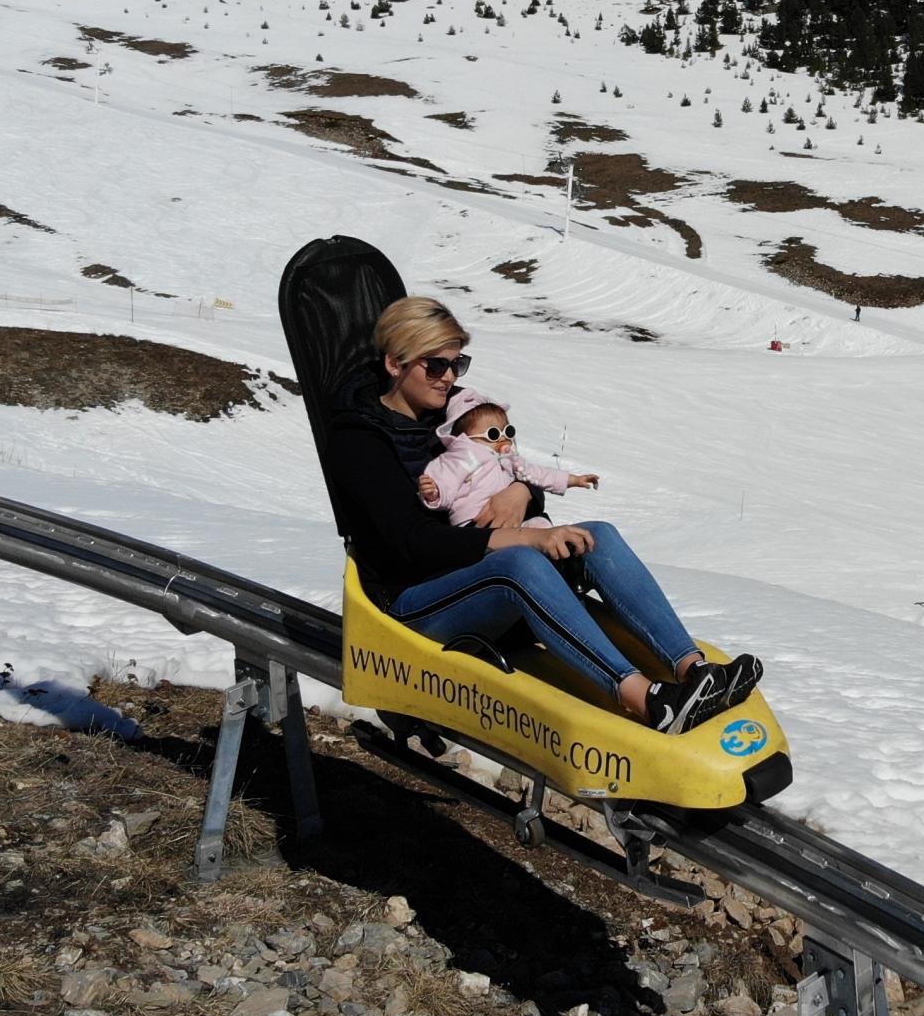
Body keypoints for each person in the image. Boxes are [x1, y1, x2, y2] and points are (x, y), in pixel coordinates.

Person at [321, 296, 760, 734]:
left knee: (598, 536)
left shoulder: (454, 412)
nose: (449, 378)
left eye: (457, 364)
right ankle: (647, 702)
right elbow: (412, 545)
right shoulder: (359, 439)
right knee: (520, 563)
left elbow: (510, 465)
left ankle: (693, 671)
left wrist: (520, 493)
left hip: (473, 572)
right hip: (410, 602)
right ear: (395, 364)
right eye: (435, 366)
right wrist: (528, 538)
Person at [416, 392, 593, 528]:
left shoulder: (509, 460)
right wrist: (435, 492)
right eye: (493, 434)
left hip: (509, 518)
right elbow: (447, 477)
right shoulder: (464, 454)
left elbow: (538, 473)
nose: (503, 438)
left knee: (542, 524)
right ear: (465, 437)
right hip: (476, 522)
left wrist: (572, 479)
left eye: (508, 432)